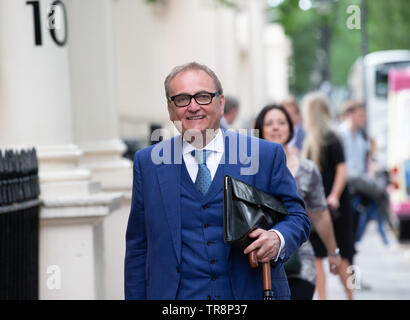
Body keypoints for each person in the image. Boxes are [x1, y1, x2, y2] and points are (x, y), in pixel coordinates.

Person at [124, 62, 310, 300]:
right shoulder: (148, 164)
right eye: (181, 99)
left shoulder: (264, 155)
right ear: (171, 110)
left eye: (203, 97)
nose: (193, 107)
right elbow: (138, 248)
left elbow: (298, 217)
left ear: (220, 103)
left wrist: (277, 238)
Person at [254, 104, 341, 300]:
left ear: (290, 128)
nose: (276, 127)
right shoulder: (247, 168)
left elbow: (320, 214)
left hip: (301, 263)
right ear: (260, 129)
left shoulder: (307, 169)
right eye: (269, 123)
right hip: (258, 264)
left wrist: (333, 252)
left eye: (281, 122)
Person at [301, 92, 355, 300]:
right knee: (316, 257)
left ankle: (351, 295)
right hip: (315, 206)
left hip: (335, 206)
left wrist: (334, 196)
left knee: (344, 257)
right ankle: (322, 298)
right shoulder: (311, 140)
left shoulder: (331, 138)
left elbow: (342, 170)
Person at [338, 100, 391, 245]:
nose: (364, 118)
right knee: (380, 191)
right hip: (348, 179)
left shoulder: (361, 138)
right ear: (349, 115)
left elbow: (366, 161)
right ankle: (386, 225)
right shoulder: (340, 135)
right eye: (360, 115)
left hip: (359, 182)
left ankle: (384, 226)